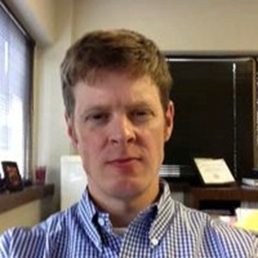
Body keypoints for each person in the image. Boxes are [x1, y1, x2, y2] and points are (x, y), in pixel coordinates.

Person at [0, 29, 257, 258]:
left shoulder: (240, 250)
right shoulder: (18, 250)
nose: (122, 134)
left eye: (140, 113)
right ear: (72, 130)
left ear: (168, 122)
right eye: (98, 116)